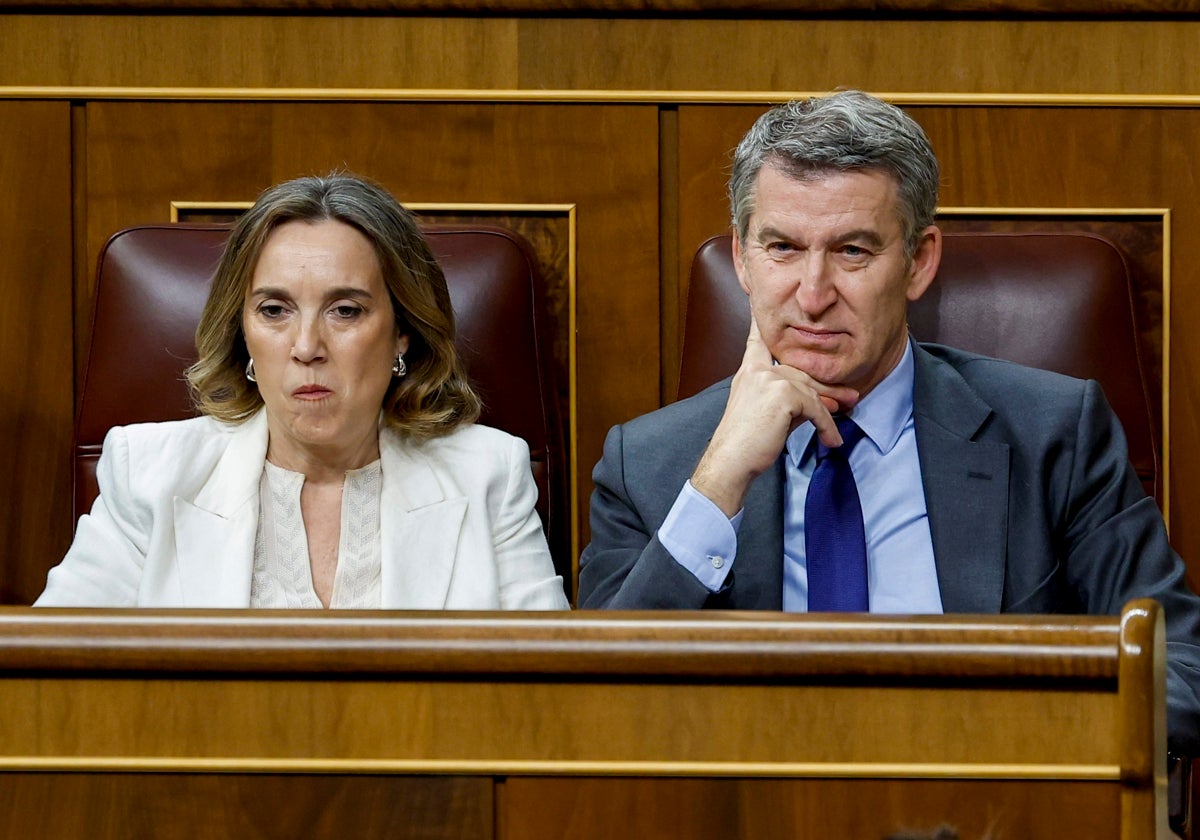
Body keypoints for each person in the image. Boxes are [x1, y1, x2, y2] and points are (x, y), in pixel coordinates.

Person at [577, 91, 1200, 752]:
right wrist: (718, 481)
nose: (812, 297)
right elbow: (591, 714)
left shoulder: (1052, 434)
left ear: (919, 260)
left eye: (852, 251)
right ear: (742, 259)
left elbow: (1182, 680)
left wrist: (972, 744)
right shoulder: (648, 464)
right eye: (782, 247)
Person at [37, 173, 568, 610]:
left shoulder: (489, 475)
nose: (307, 346)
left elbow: (551, 696)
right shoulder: (147, 475)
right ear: (243, 334)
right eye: (274, 310)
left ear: (403, 332)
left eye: (346, 310)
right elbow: (50, 682)